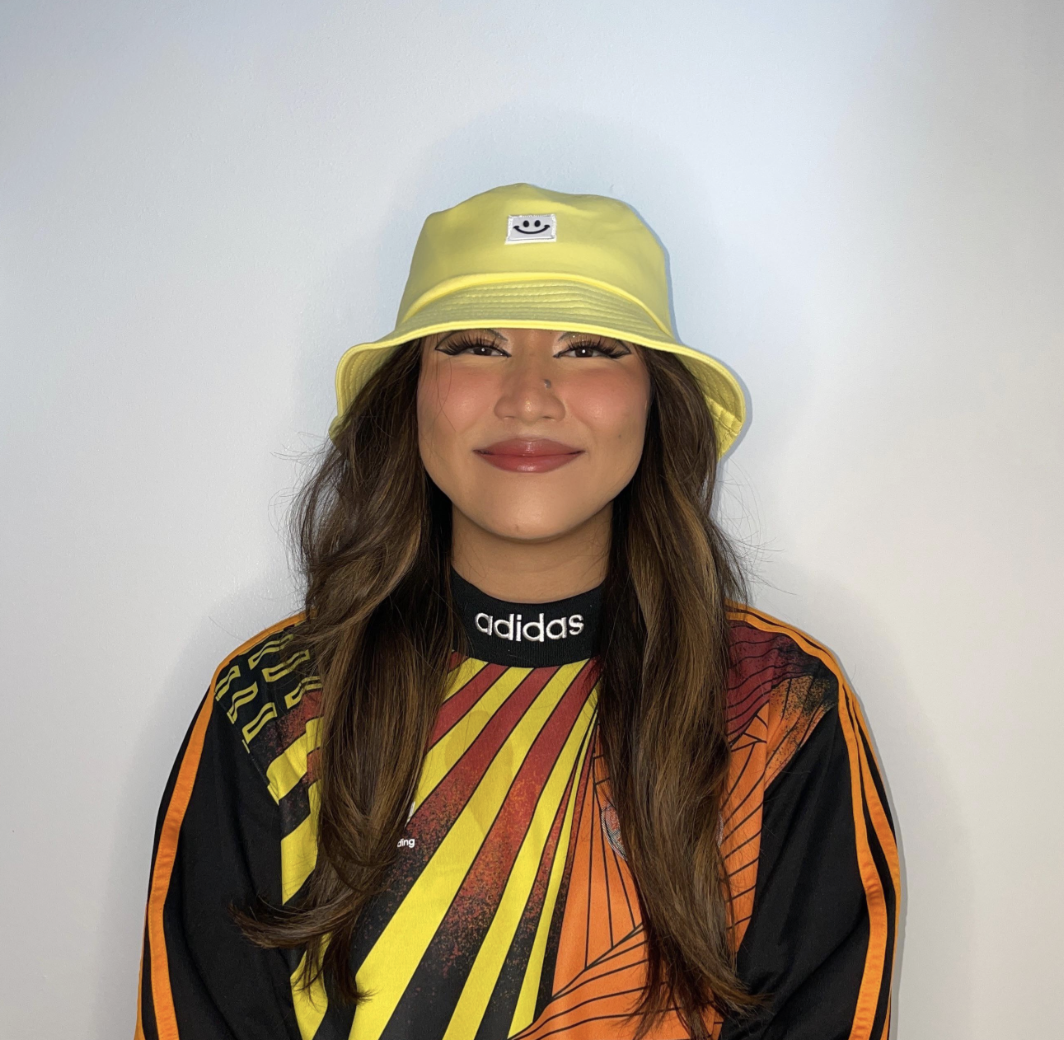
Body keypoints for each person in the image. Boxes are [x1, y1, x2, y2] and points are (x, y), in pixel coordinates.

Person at [133, 184, 899, 1040]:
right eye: (476, 345)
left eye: (588, 348)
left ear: (656, 400)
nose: (529, 395)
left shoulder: (779, 708)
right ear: (411, 395)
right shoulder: (268, 708)